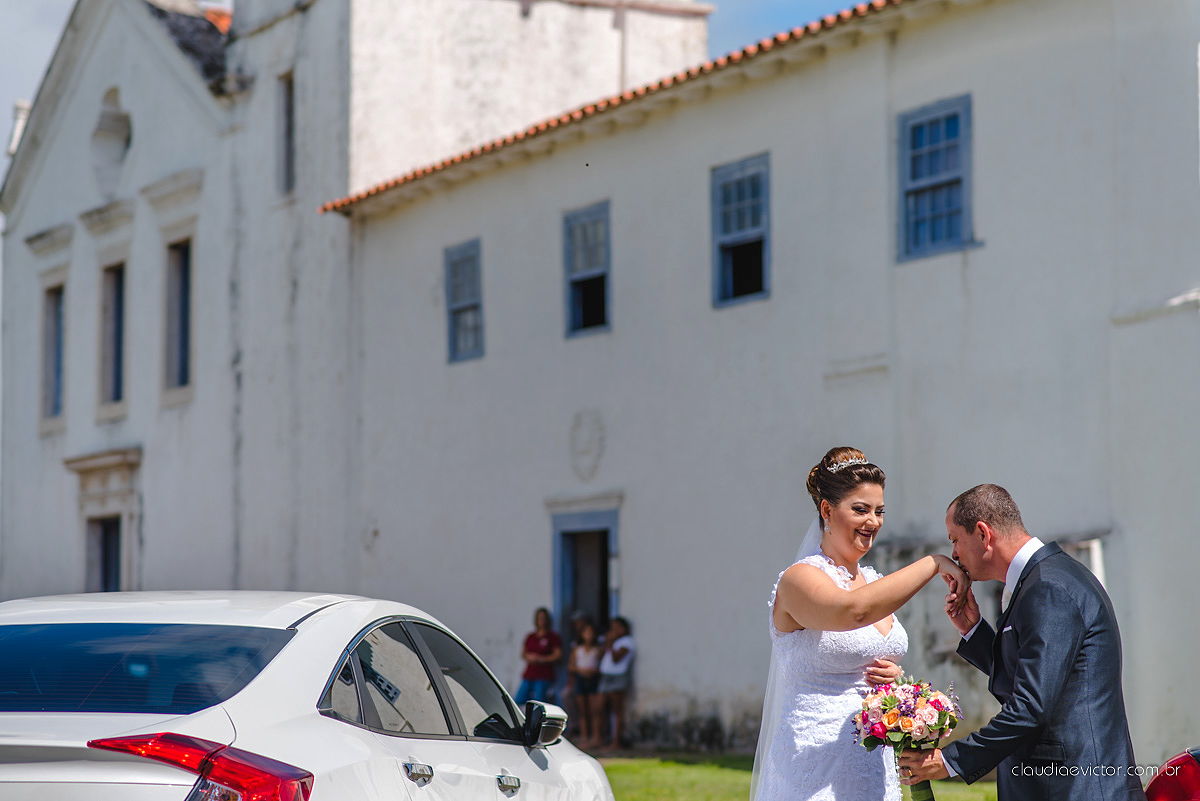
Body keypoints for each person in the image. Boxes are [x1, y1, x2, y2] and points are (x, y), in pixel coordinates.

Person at [898, 484, 1146, 801]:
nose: (955, 554)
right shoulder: (1045, 578)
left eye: (955, 540)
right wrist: (973, 630)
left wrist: (948, 760)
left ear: (983, 534)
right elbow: (1034, 673)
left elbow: (1031, 706)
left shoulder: (1048, 588)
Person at [750, 447, 970, 801]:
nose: (873, 522)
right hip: (814, 768)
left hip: (873, 766)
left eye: (879, 511)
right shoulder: (799, 579)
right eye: (861, 509)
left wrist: (897, 686)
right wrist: (933, 563)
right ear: (827, 510)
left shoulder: (873, 581)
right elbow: (851, 613)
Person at [597, 616, 635, 751]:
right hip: (606, 677)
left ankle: (616, 741)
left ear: (624, 629)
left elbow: (616, 658)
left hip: (618, 678)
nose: (613, 631)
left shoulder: (627, 642)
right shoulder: (613, 642)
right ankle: (598, 738)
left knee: (616, 710)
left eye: (616, 628)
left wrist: (610, 643)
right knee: (599, 707)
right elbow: (600, 656)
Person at [568, 619, 604, 748]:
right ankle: (584, 737)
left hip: (593, 680)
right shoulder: (577, 649)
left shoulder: (598, 650)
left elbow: (603, 665)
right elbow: (571, 666)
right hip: (581, 679)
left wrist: (593, 671)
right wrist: (581, 670)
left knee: (594, 710)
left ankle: (595, 737)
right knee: (583, 711)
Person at [515, 607, 562, 706]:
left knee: (539, 701)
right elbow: (523, 653)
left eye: (544, 618)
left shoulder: (552, 637)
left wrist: (542, 659)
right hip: (530, 673)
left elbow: (557, 655)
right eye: (540, 618)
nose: (542, 621)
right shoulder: (531, 636)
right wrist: (530, 657)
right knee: (519, 698)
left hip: (543, 675)